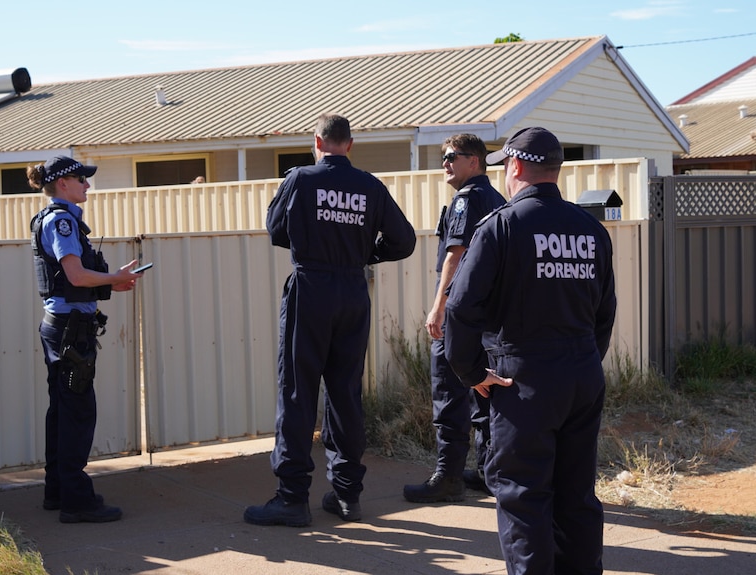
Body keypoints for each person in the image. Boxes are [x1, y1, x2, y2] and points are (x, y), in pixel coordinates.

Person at [444, 127, 616, 574]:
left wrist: (472, 372)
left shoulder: (502, 226)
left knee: (524, 496)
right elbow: (605, 313)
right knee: (576, 495)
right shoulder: (590, 228)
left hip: (523, 380)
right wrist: (582, 363)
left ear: (515, 167)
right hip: (581, 374)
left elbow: (460, 310)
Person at [244, 113, 416, 527]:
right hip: (353, 291)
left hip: (312, 288)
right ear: (349, 145)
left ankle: (291, 498)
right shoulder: (371, 186)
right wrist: (363, 254)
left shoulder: (300, 179)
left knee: (298, 392)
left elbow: (276, 230)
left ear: (316, 143)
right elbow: (404, 241)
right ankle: (346, 495)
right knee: (345, 391)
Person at [28, 156, 144, 523]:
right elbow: (76, 277)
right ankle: (77, 502)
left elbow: (74, 282)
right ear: (63, 184)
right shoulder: (61, 221)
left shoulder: (58, 219)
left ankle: (58, 492)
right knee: (78, 412)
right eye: (81, 179)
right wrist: (111, 280)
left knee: (63, 410)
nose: (87, 185)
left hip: (63, 327)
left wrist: (113, 281)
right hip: (70, 332)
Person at [403, 134, 505, 503]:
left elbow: (456, 255)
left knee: (448, 391)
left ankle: (447, 478)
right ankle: (489, 472)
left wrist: (439, 305)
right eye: (443, 157)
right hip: (487, 317)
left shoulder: (466, 199)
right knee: (483, 391)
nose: (445, 163)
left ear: (474, 161)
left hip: (459, 313)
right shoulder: (497, 200)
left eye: (452, 157)